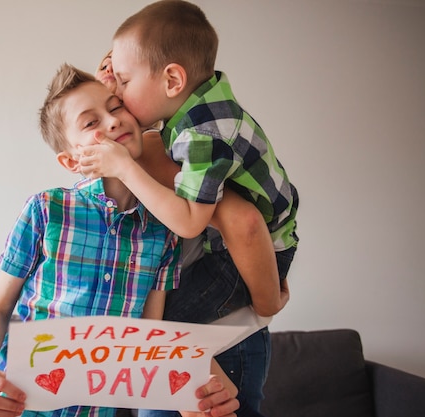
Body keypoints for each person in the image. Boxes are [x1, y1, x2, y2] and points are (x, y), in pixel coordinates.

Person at [0, 63, 241, 417]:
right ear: (70, 160)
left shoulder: (163, 231)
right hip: (15, 405)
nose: (111, 122)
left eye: (115, 107)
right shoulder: (46, 209)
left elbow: (150, 337)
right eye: (91, 122)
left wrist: (195, 398)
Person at [80, 1, 299, 412]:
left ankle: (213, 396)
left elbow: (194, 223)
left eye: (121, 85)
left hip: (253, 256)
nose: (117, 96)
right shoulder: (189, 109)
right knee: (155, 325)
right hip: (238, 252)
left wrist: (126, 168)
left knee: (161, 326)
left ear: (172, 79)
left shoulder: (202, 134)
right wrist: (114, 81)